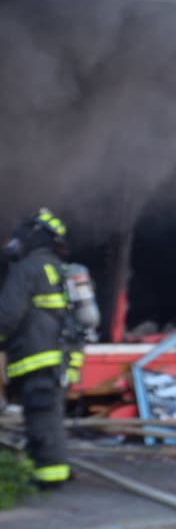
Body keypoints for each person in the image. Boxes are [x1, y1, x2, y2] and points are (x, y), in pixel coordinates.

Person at [0, 209, 75, 488]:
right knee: (46, 418)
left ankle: (49, 480)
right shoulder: (58, 270)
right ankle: (48, 471)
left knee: (42, 419)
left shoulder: (27, 269)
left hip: (35, 356)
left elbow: (7, 315)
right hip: (59, 358)